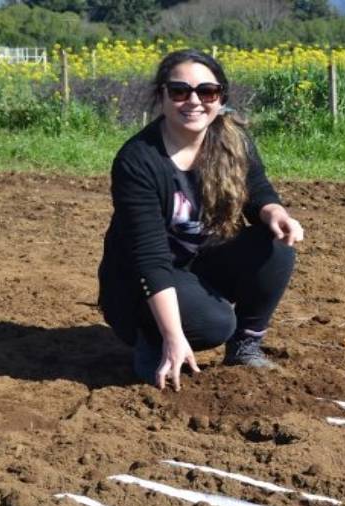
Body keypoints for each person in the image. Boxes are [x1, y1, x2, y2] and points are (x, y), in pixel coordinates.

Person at [98, 49, 303, 391]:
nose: (194, 101)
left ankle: (245, 347)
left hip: (198, 263)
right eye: (180, 91)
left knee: (275, 247)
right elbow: (149, 259)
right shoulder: (138, 161)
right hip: (138, 283)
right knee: (214, 324)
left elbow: (256, 189)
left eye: (207, 92)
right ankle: (153, 339)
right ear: (161, 95)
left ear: (220, 97)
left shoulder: (232, 141)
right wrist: (174, 336)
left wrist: (274, 211)